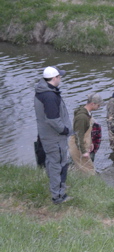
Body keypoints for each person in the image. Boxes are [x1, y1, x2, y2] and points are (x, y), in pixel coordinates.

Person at [34, 66, 73, 204]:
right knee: (59, 165)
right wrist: (64, 130)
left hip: (47, 135)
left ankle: (57, 188)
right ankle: (58, 196)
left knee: (52, 162)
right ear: (55, 78)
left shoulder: (43, 91)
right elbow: (52, 120)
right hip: (55, 137)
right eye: (59, 76)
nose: (60, 78)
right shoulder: (50, 96)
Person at [68, 93, 103, 175]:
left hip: (83, 146)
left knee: (83, 171)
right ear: (92, 104)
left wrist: (90, 143)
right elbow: (78, 136)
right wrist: (83, 152)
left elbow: (85, 132)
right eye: (98, 105)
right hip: (78, 148)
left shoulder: (87, 114)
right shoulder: (82, 117)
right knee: (90, 172)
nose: (99, 107)